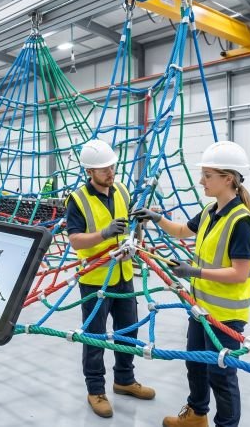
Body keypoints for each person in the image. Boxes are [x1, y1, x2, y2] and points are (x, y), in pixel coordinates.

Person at [132, 141, 250, 427]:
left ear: (228, 178)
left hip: (225, 317)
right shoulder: (210, 211)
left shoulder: (242, 221)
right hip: (200, 309)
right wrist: (157, 218)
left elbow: (240, 273)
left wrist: (195, 272)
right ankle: (197, 414)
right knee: (196, 365)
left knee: (221, 376)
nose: (202, 181)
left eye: (208, 175)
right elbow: (181, 231)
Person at [65, 139, 155, 418]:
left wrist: (138, 231)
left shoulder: (122, 191)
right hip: (95, 278)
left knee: (128, 330)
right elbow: (76, 241)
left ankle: (124, 380)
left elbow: (129, 230)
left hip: (124, 274)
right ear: (90, 171)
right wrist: (103, 234)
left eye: (112, 166)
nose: (110, 172)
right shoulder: (78, 199)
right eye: (104, 169)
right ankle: (95, 389)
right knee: (94, 336)